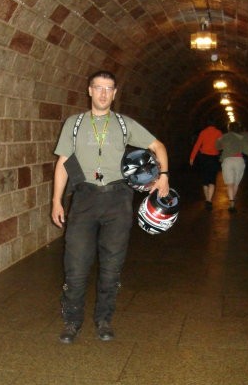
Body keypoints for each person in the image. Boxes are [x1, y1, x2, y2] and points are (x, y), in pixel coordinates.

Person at [51, 70, 170, 344]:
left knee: (111, 265)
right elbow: (63, 164)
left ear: (115, 94)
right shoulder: (75, 123)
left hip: (118, 199)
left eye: (109, 89)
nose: (103, 93)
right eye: (98, 88)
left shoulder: (125, 124)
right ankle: (72, 321)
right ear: (89, 91)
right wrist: (57, 200)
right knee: (76, 264)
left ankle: (104, 319)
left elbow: (158, 146)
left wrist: (164, 176)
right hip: (84, 199)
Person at [215, 122, 248, 213]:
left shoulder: (224, 136)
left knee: (230, 184)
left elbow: (217, 146)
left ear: (229, 128)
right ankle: (232, 202)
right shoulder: (241, 137)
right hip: (239, 161)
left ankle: (231, 203)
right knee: (236, 184)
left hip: (227, 161)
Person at [189, 117, 222, 210]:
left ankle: (207, 199)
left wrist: (192, 157)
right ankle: (209, 200)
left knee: (205, 179)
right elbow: (220, 146)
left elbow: (197, 145)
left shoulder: (203, 132)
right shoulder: (218, 133)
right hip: (214, 158)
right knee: (212, 180)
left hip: (204, 158)